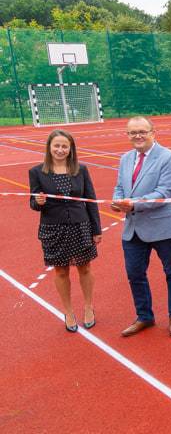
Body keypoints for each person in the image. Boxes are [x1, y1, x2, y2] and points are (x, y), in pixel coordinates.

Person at [112, 116, 171, 338]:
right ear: (128, 135)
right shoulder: (125, 158)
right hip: (133, 228)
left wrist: (133, 203)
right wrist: (117, 201)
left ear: (153, 132)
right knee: (135, 273)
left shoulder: (168, 157)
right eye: (133, 133)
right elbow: (119, 187)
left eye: (142, 131)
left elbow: (164, 192)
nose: (138, 136)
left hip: (162, 227)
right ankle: (144, 316)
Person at [29, 130, 101, 332]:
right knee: (61, 271)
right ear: (49, 148)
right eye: (56, 146)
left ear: (71, 149)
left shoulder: (81, 170)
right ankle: (68, 311)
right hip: (53, 229)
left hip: (81, 226)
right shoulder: (36, 172)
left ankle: (88, 306)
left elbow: (91, 200)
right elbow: (33, 204)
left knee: (85, 268)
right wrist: (38, 201)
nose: (60, 150)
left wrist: (96, 229)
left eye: (64, 146)